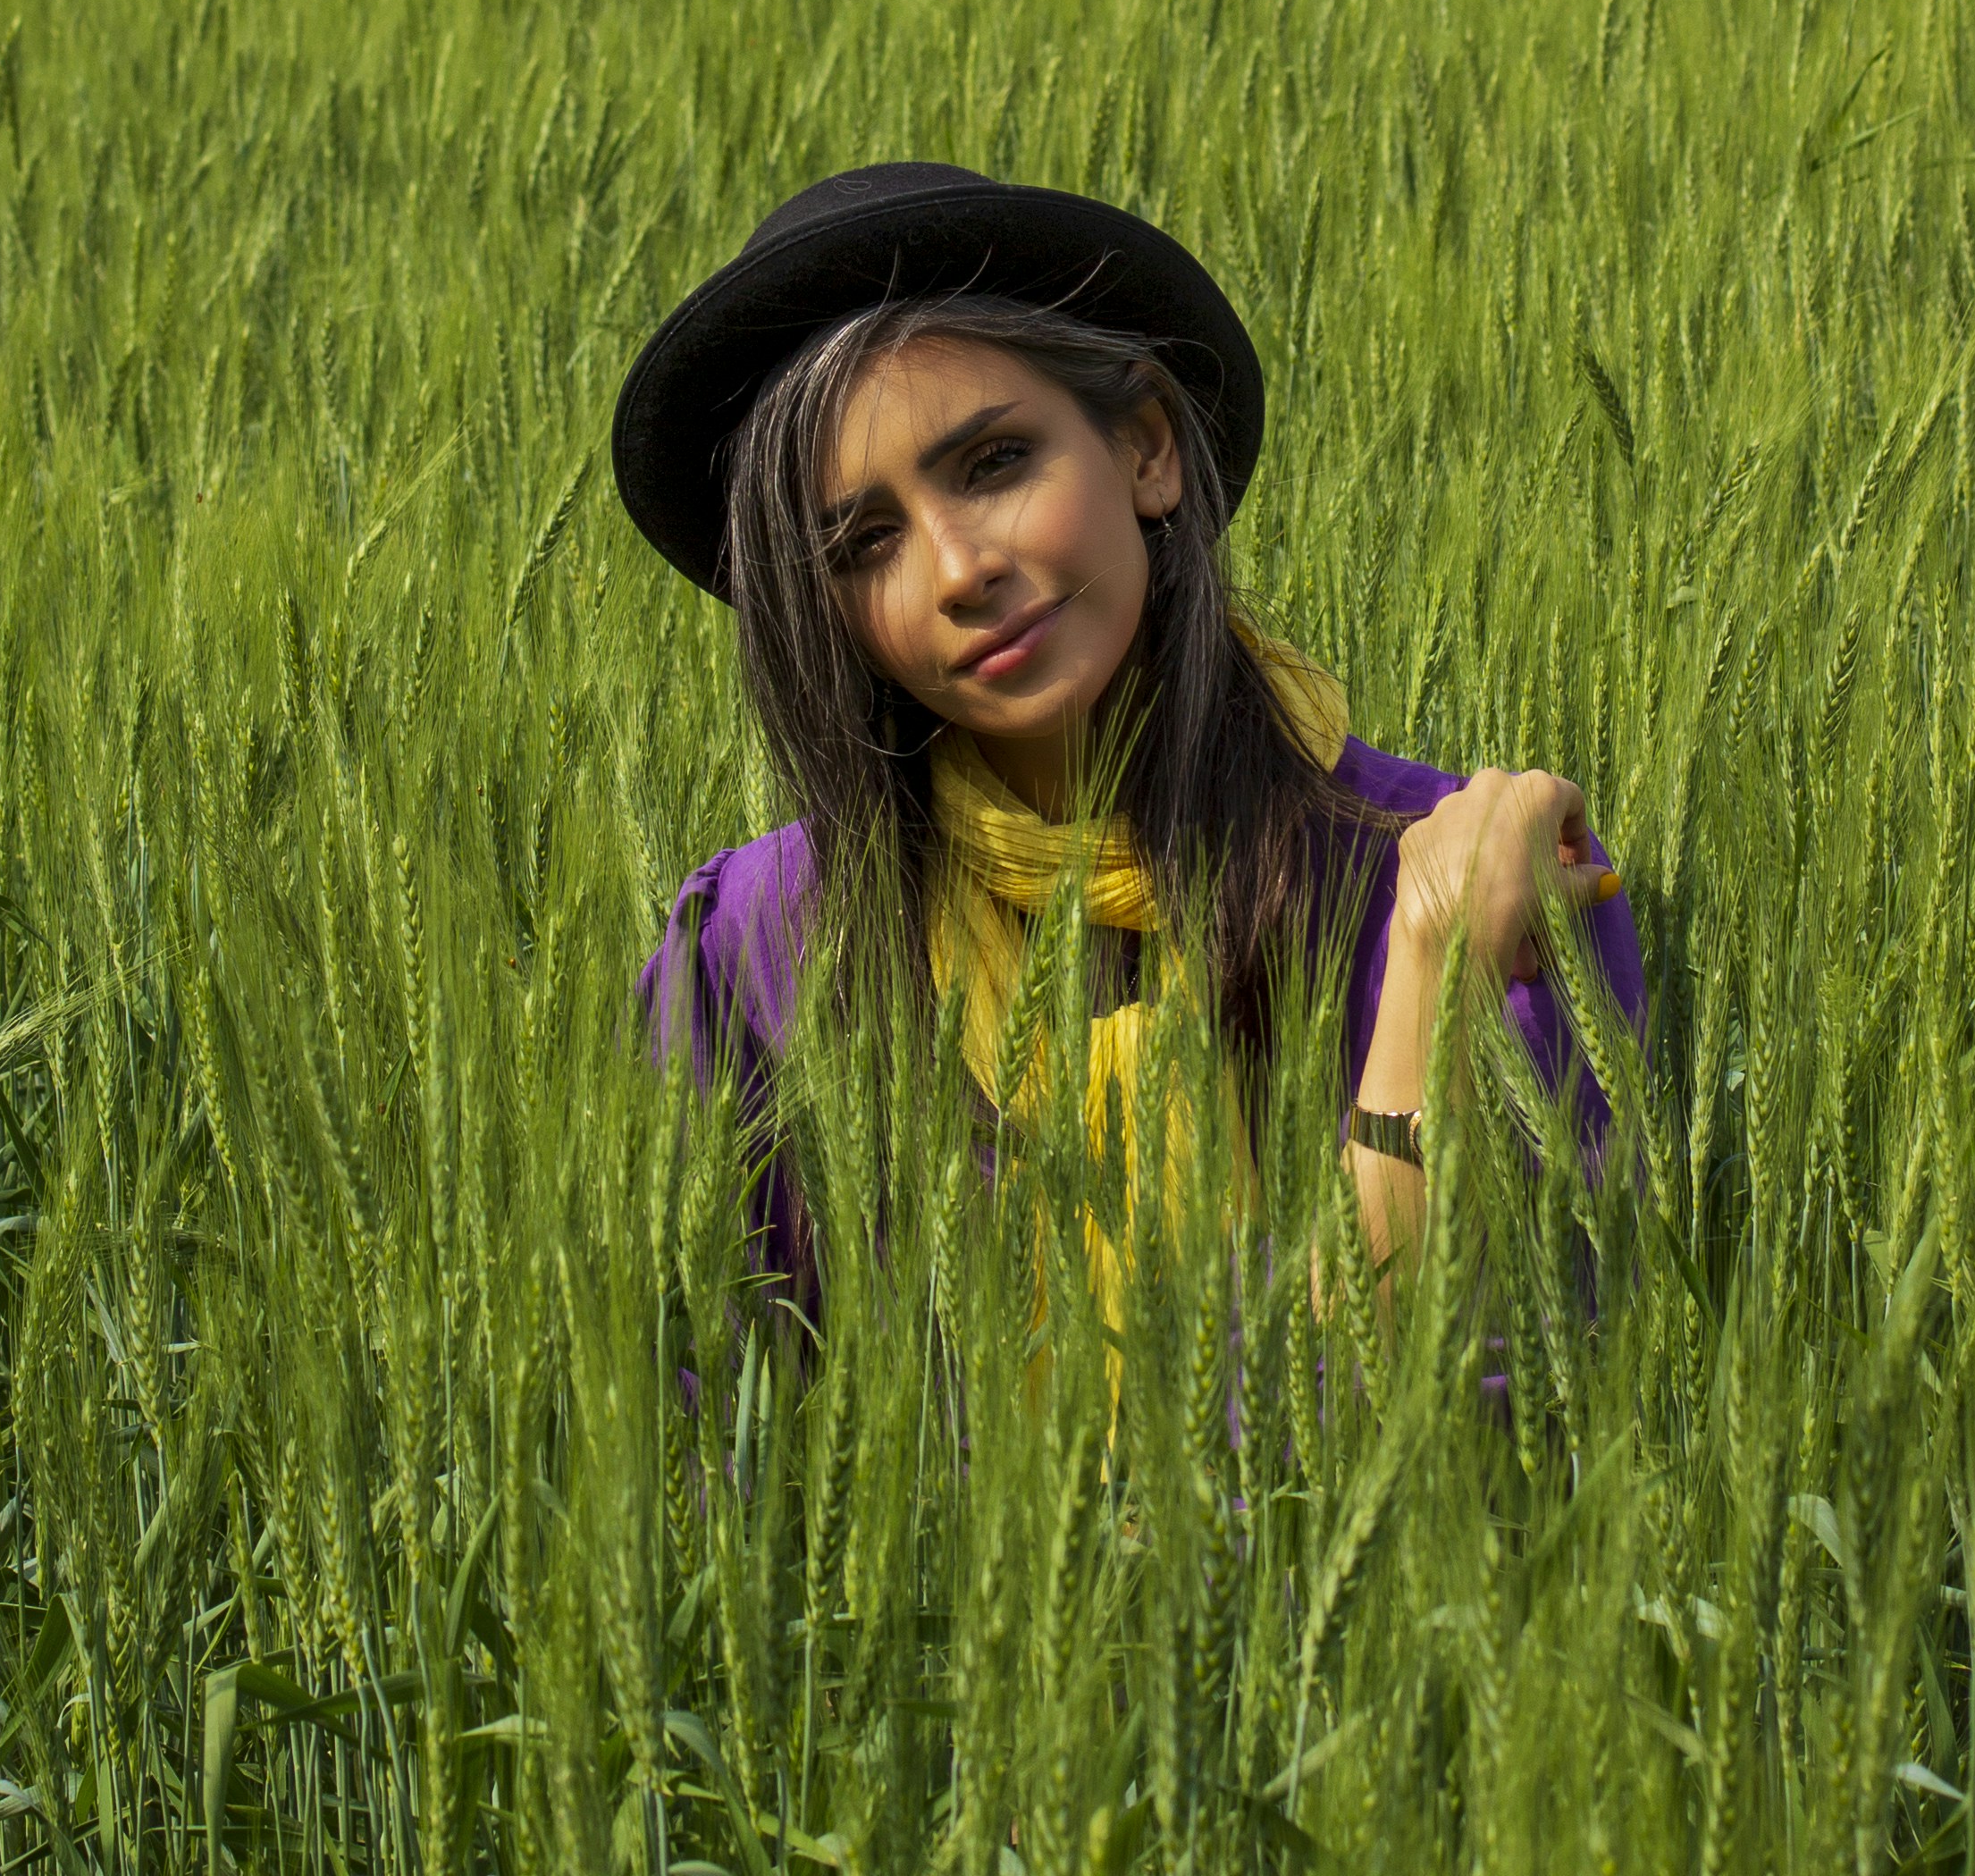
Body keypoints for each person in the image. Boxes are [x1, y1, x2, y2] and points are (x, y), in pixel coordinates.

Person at [618, 162, 1643, 1306]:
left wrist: (1426, 973)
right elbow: (712, 1433)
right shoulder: (754, 951)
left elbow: (1497, 1403)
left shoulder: (1472, 875)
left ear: (1148, 446)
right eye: (864, 542)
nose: (960, 570)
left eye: (995, 462)